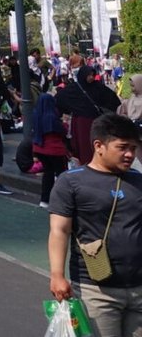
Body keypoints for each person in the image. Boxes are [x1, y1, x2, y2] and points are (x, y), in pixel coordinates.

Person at [48, 114, 142, 337]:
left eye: (133, 148)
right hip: (96, 291)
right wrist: (57, 275)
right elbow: (59, 230)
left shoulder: (138, 180)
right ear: (99, 146)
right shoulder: (71, 181)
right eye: (122, 147)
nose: (130, 154)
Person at [59, 66, 123, 166]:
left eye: (93, 75)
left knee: (96, 144)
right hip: (81, 123)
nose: (91, 77)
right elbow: (59, 100)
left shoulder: (97, 87)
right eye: (89, 75)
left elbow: (113, 99)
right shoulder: (74, 89)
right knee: (84, 146)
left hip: (96, 122)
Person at [34, 93, 71, 209]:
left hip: (40, 148)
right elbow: (61, 131)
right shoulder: (51, 116)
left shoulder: (36, 114)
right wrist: (65, 123)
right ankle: (62, 200)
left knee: (48, 173)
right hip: (55, 150)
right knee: (62, 174)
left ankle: (44, 199)